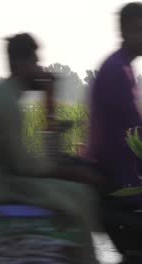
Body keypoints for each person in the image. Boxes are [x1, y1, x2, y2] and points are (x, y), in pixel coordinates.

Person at [0, 33, 99, 263]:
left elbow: (22, 163)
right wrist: (67, 171)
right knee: (77, 195)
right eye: (34, 62)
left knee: (69, 191)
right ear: (21, 64)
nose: (39, 68)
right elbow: (23, 165)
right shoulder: (6, 102)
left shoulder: (3, 94)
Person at [86, 2, 142, 263]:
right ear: (125, 31)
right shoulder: (117, 72)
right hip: (118, 183)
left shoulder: (123, 68)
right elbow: (135, 134)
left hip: (123, 178)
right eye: (140, 30)